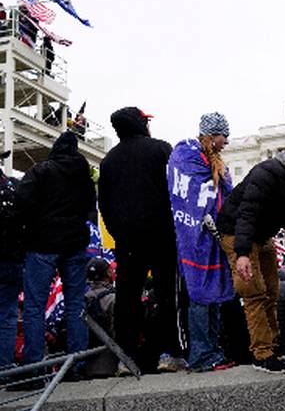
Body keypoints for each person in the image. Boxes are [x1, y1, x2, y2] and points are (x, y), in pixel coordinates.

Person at [216, 138, 285, 374]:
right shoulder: (268, 173)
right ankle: (262, 354)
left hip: (261, 235)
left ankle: (272, 345)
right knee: (253, 292)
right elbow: (247, 212)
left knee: (272, 291)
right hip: (237, 233)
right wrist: (242, 253)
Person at [99, 107, 185, 374]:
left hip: (128, 241)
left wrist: (118, 233)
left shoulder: (109, 161)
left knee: (127, 299)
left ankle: (126, 359)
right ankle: (169, 353)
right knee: (167, 295)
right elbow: (177, 191)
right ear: (140, 123)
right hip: (162, 236)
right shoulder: (161, 150)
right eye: (146, 121)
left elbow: (104, 204)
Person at [16, 132, 95, 376]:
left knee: (34, 306)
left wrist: (30, 229)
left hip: (42, 244)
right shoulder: (84, 175)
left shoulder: (41, 171)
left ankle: (34, 367)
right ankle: (76, 364)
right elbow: (90, 207)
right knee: (75, 304)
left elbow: (22, 202)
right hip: (74, 244)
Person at [168, 112, 235, 372]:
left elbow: (222, 192)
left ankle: (214, 351)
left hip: (213, 237)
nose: (227, 141)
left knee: (215, 295)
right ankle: (201, 354)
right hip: (194, 237)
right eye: (223, 135)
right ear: (210, 135)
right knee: (199, 296)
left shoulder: (213, 161)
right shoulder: (186, 156)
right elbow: (191, 195)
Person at [0, 150, 22, 369]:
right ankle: (3, 367)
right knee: (7, 316)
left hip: (10, 260)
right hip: (10, 260)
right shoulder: (13, 188)